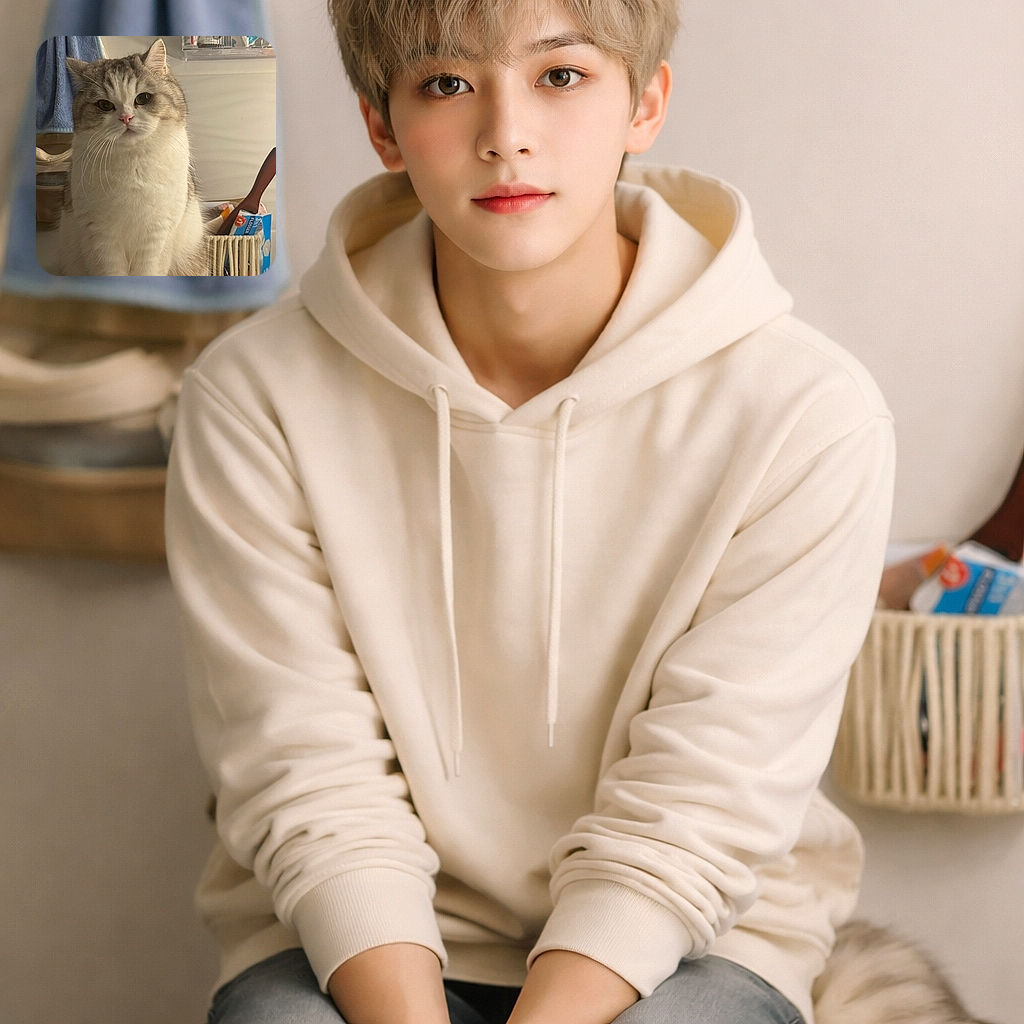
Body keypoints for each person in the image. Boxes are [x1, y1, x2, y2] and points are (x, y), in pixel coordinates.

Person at [164, 1, 895, 1021]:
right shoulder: (251, 397)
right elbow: (308, 777)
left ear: (644, 103)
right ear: (382, 128)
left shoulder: (805, 411)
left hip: (694, 939)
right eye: (447, 84)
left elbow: (704, 803)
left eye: (559, 77)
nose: (504, 134)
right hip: (350, 939)